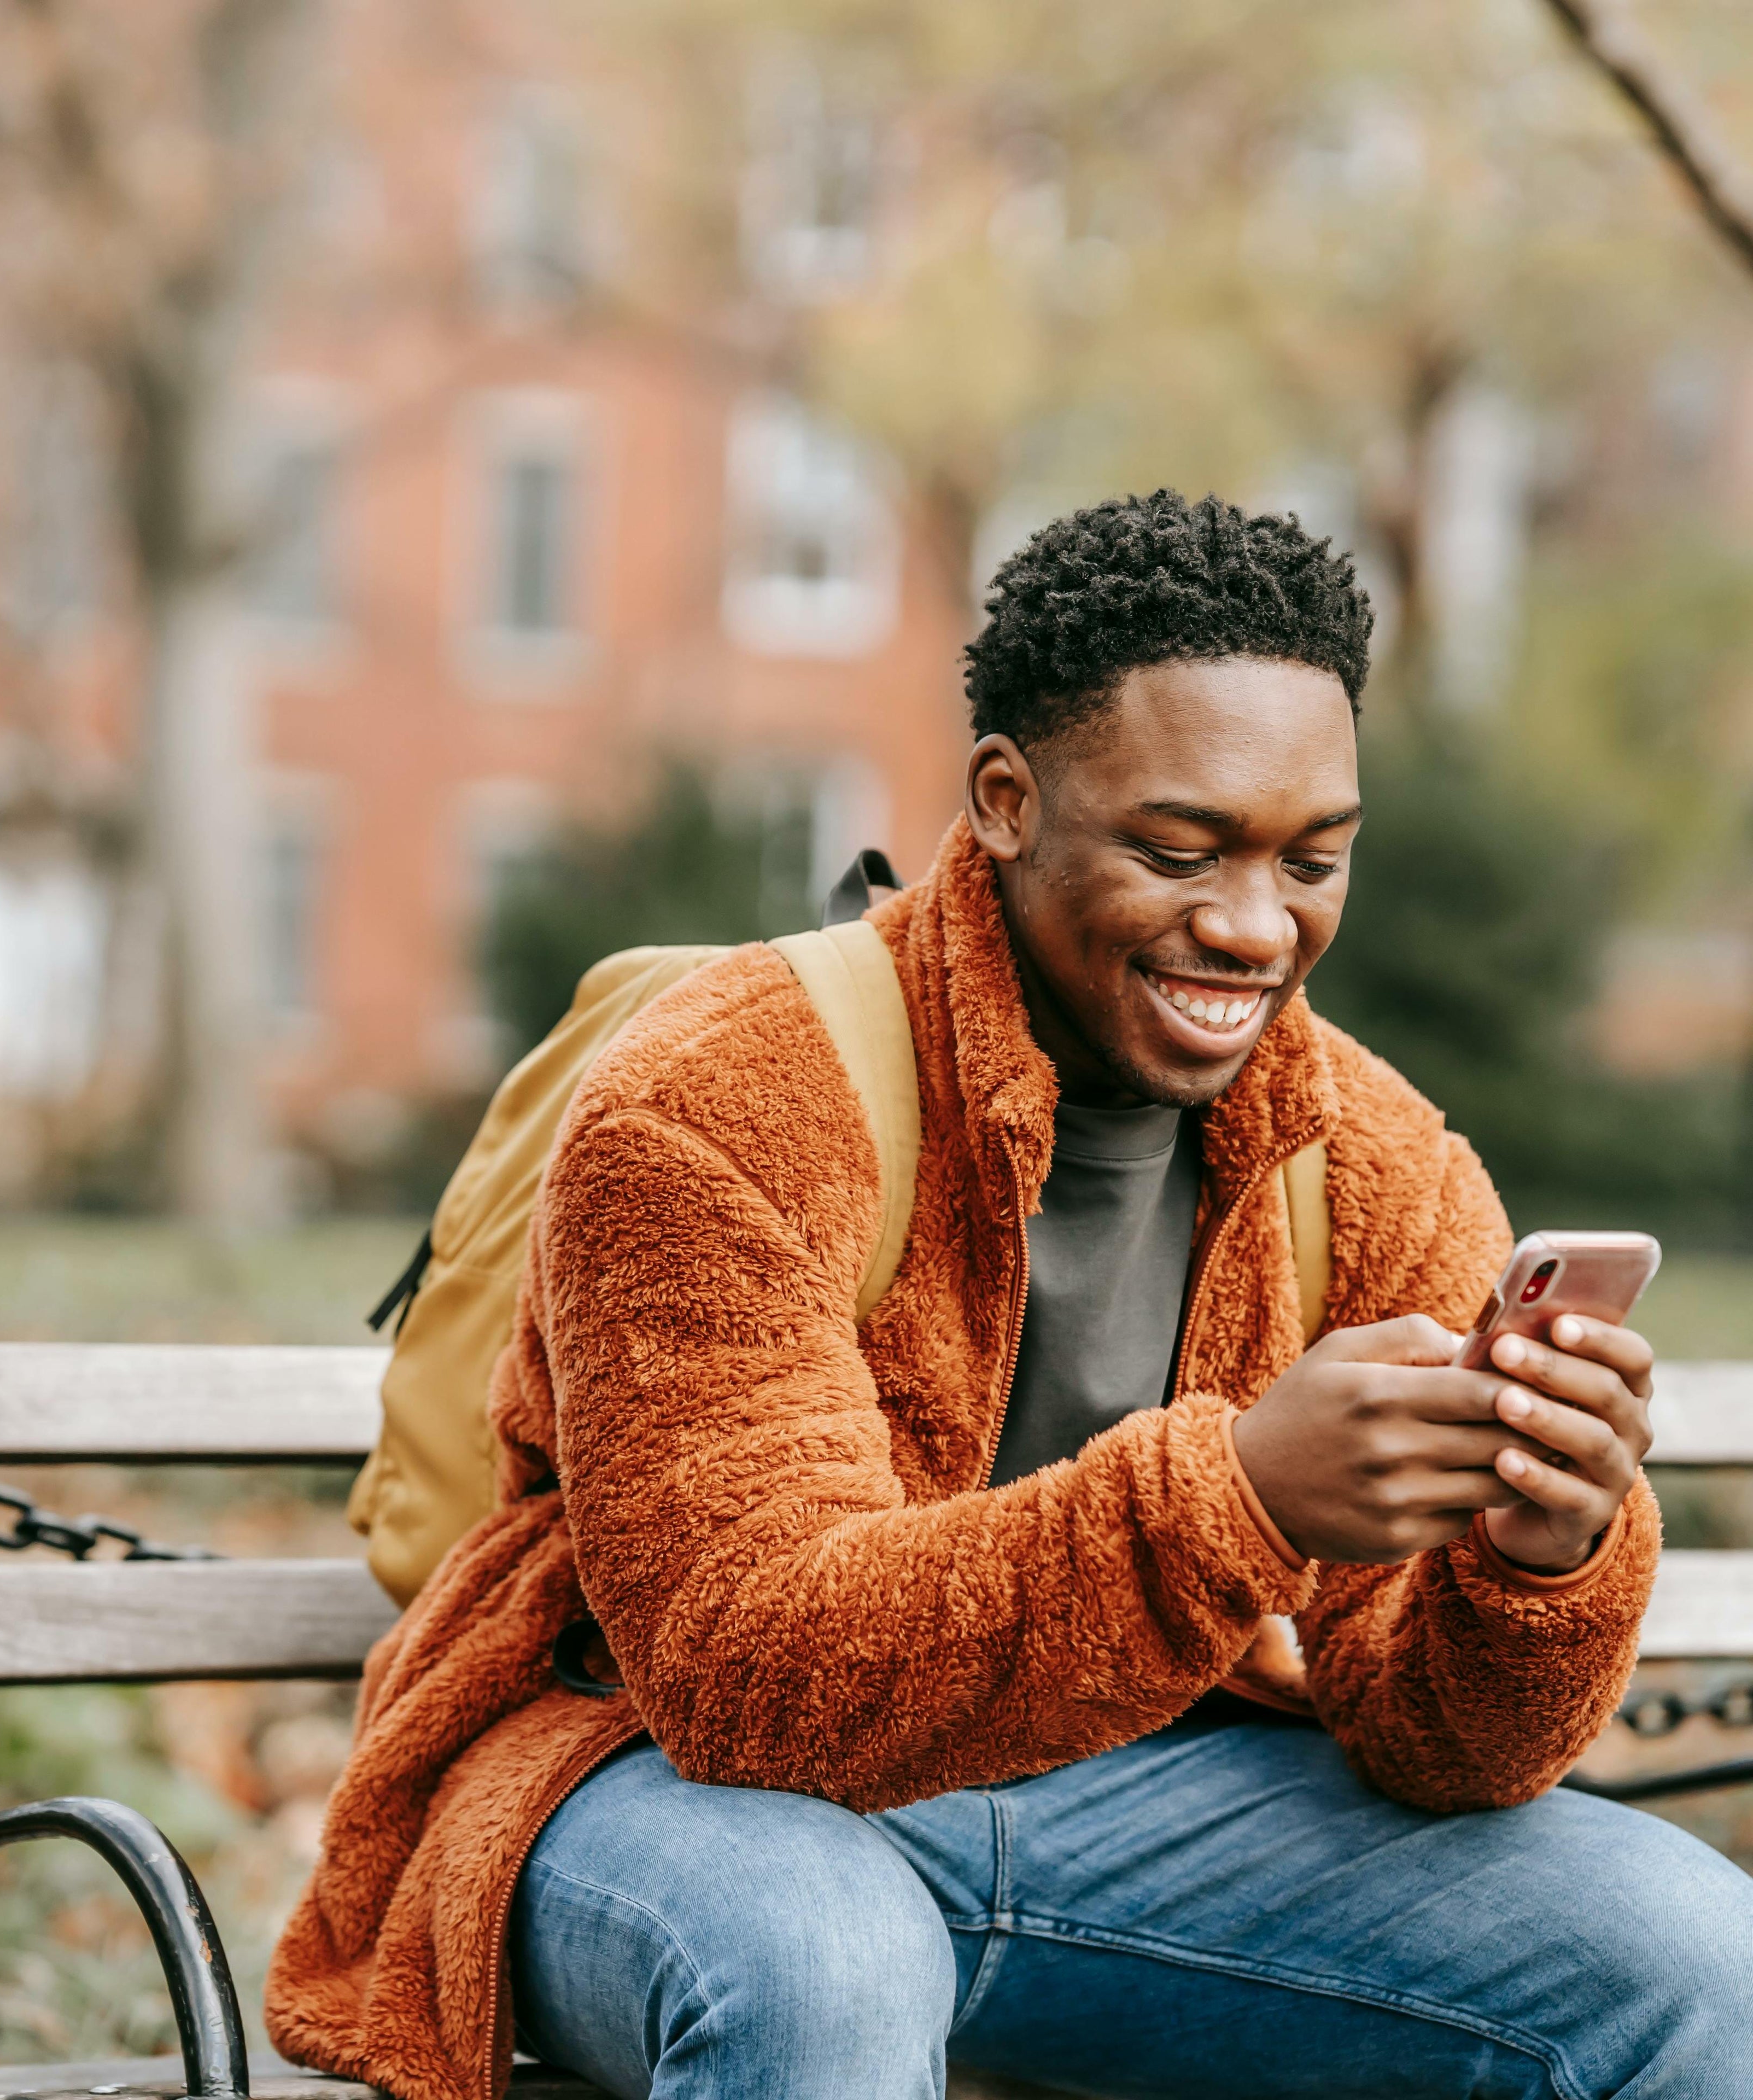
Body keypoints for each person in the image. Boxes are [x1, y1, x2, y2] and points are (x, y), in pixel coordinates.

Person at [268, 491, 1753, 2100]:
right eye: (1179, 850)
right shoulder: (723, 1094)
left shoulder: (1373, 1160)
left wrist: (1539, 1558)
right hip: (659, 1789)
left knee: (1689, 1955)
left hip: (1138, 1814)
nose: (1255, 927)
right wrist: (1238, 1498)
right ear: (1004, 801)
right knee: (823, 1965)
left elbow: (1447, 1754)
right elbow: (741, 1677)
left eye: (1311, 859)